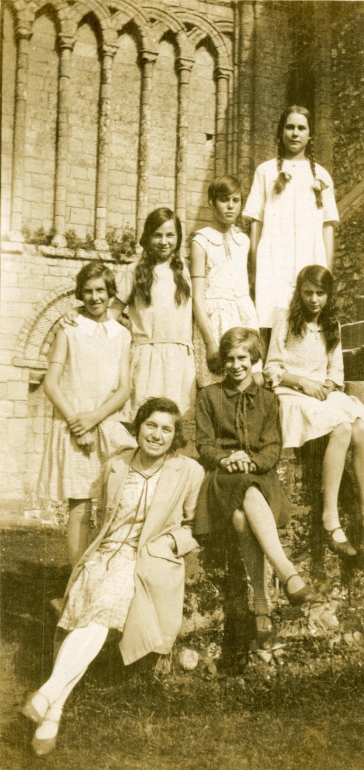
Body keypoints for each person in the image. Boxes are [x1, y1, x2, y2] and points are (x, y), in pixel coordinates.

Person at [22, 398, 204, 757]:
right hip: (104, 554)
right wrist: (90, 559)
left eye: (166, 429)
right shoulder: (116, 464)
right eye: (151, 425)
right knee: (82, 620)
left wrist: (168, 543)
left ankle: (46, 695)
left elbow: (194, 526)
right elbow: (100, 517)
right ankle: (52, 711)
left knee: (101, 613)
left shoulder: (189, 471)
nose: (157, 434)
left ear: (175, 436)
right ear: (138, 427)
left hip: (143, 559)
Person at [195, 327, 316, 647]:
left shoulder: (267, 400)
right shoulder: (209, 396)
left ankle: (260, 603)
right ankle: (287, 572)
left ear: (254, 359)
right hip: (221, 479)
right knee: (243, 494)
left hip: (259, 477)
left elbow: (273, 449)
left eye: (243, 358)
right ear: (222, 362)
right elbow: (204, 445)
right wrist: (226, 460)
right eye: (230, 359)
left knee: (241, 517)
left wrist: (251, 462)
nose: (236, 365)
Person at [264, 266, 364, 557]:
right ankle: (330, 517)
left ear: (329, 295)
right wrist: (303, 382)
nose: (314, 299)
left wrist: (327, 387)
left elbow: (336, 371)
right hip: (292, 393)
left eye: (320, 293)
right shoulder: (285, 319)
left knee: (359, 426)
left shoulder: (332, 324)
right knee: (342, 428)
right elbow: (272, 368)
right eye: (308, 292)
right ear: (299, 292)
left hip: (322, 393)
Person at [38, 261, 135, 566]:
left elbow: (123, 389)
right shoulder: (69, 328)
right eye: (88, 291)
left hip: (106, 423)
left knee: (117, 499)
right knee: (80, 506)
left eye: (101, 291)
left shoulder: (122, 334)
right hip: (75, 426)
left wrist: (96, 417)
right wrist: (78, 423)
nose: (95, 297)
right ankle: (76, 580)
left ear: (110, 294)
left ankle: (105, 572)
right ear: (80, 293)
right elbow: (50, 384)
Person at [243, 105, 339, 340]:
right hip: (273, 261)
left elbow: (327, 227)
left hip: (309, 259)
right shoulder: (265, 171)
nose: (295, 133)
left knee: (307, 327)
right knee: (272, 323)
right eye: (289, 127)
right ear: (281, 131)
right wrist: (255, 267)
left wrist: (326, 272)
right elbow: (255, 222)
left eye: (301, 128)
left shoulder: (321, 176)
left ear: (309, 135)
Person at [111, 207, 195, 419]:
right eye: (157, 235)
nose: (164, 241)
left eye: (170, 235)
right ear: (147, 237)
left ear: (178, 237)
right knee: (144, 418)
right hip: (146, 357)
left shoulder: (188, 269)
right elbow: (113, 312)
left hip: (179, 359)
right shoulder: (135, 269)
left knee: (176, 421)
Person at [190, 175, 262, 387]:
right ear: (211, 202)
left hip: (243, 316)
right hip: (214, 321)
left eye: (236, 200)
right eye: (224, 200)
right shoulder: (201, 241)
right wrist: (211, 343)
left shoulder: (243, 241)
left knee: (253, 380)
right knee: (218, 383)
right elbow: (197, 298)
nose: (230, 206)